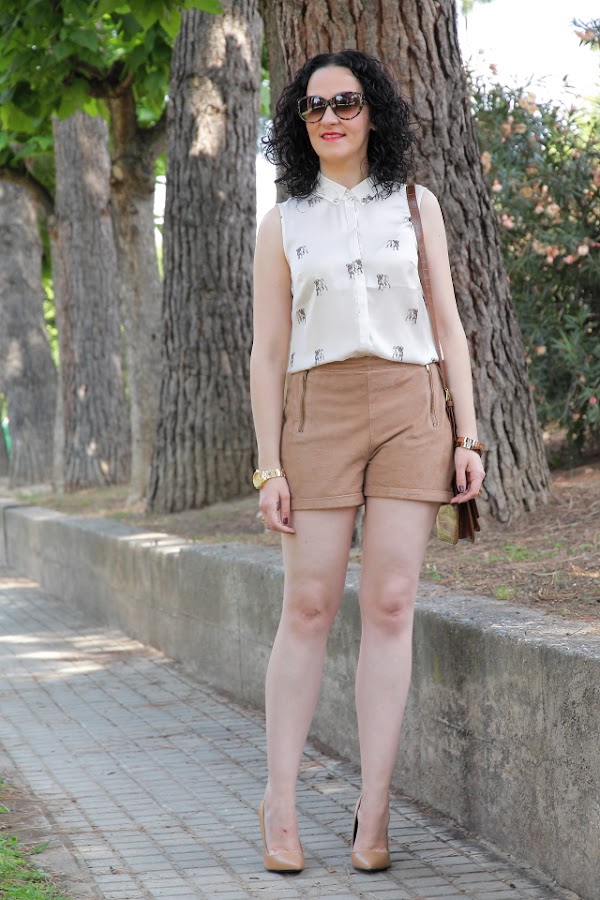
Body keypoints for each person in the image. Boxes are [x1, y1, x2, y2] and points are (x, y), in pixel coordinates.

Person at [250, 49, 485, 874]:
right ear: (298, 123)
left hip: (411, 405)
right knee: (309, 605)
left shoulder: (417, 205)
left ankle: (373, 810)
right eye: (314, 107)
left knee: (390, 603)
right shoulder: (283, 223)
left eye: (346, 102)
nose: (331, 118)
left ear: (373, 111)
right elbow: (267, 350)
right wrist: (269, 465)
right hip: (317, 409)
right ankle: (280, 804)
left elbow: (450, 327)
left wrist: (467, 435)